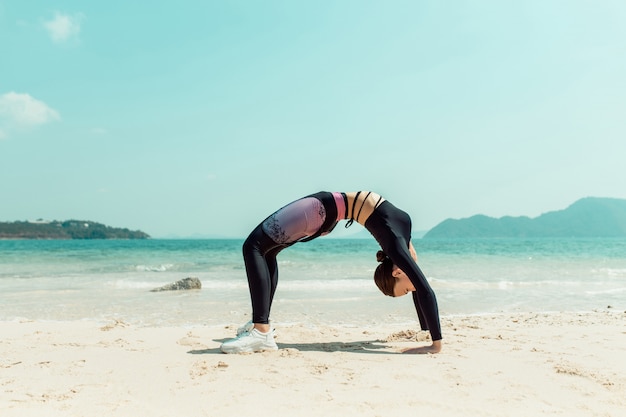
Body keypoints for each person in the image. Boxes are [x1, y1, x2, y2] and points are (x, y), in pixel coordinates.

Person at [220, 191, 442, 354]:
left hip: (328, 211)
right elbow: (425, 291)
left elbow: (418, 287)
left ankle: (261, 328)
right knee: (256, 248)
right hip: (320, 210)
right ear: (397, 274)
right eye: (404, 291)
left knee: (261, 250)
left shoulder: (402, 240)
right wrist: (435, 345)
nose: (411, 289)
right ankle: (260, 330)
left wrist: (425, 329)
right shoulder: (396, 245)